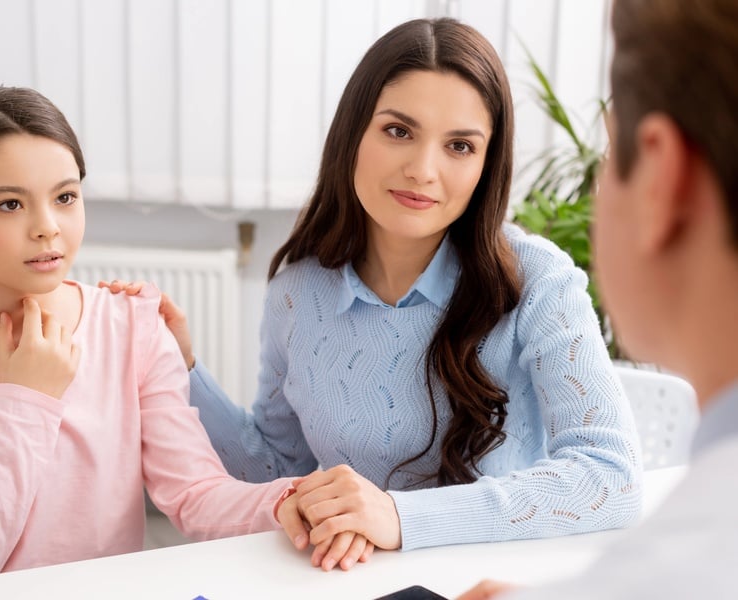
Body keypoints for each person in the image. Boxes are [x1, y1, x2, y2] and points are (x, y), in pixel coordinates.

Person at [106, 17, 643, 572]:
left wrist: (402, 518)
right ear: (353, 134)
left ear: (486, 165)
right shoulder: (297, 291)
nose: (423, 170)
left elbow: (611, 475)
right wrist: (183, 366)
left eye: (460, 145)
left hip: (494, 581)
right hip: (349, 581)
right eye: (398, 131)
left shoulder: (536, 280)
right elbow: (274, 468)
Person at [0, 84, 321, 589]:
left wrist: (294, 499)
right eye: (10, 204)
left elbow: (196, 495)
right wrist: (26, 402)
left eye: (66, 197)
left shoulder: (132, 326)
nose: (48, 227)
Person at [457, 0, 738, 598]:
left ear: (661, 181)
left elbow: (608, 475)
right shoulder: (303, 281)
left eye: (609, 157)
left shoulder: (536, 273)